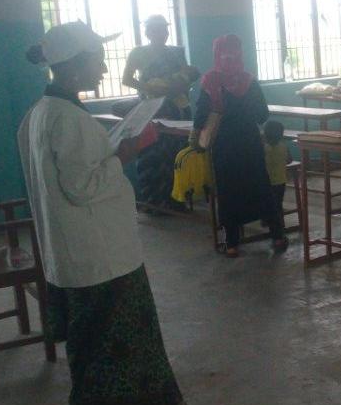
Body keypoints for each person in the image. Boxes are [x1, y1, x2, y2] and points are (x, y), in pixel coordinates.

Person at [18, 22, 185, 405]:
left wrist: (113, 149)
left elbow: (76, 170)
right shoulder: (66, 119)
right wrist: (127, 151)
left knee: (115, 335)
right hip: (97, 254)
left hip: (85, 249)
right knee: (109, 342)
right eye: (97, 60)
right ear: (74, 66)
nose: (104, 68)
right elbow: (83, 187)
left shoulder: (43, 112)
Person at [193, 34, 286, 257]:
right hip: (249, 144)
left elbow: (200, 115)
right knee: (261, 188)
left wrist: (195, 137)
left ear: (217, 55)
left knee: (228, 192)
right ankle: (277, 235)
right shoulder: (248, 81)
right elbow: (262, 115)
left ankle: (232, 244)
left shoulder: (210, 82)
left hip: (224, 145)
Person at [119, 15, 200, 208]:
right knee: (153, 153)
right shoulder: (138, 53)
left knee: (177, 153)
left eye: (164, 30)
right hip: (152, 109)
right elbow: (127, 79)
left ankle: (179, 200)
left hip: (177, 109)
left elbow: (186, 77)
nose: (162, 34)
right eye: (157, 30)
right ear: (148, 33)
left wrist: (177, 86)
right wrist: (149, 88)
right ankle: (155, 201)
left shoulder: (176, 53)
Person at [263, 120, 290, 227]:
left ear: (265, 135)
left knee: (266, 202)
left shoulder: (264, 149)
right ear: (281, 135)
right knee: (278, 203)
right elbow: (289, 160)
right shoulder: (284, 147)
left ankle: (266, 220)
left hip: (267, 182)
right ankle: (280, 224)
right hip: (281, 181)